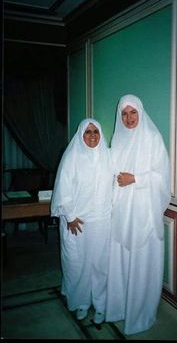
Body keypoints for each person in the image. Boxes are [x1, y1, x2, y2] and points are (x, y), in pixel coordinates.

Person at [105, 94, 171, 335]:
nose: (129, 118)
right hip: (121, 212)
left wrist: (135, 178)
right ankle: (120, 306)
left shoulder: (153, 138)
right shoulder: (117, 139)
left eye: (133, 112)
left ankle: (141, 312)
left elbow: (163, 178)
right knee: (121, 260)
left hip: (144, 213)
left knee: (142, 262)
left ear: (141, 113)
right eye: (124, 113)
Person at [51, 118, 114, 324]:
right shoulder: (72, 158)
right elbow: (63, 189)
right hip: (76, 221)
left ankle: (101, 305)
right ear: (80, 135)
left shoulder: (108, 156)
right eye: (88, 132)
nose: (93, 135)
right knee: (77, 264)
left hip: (102, 220)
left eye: (96, 131)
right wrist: (69, 216)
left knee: (100, 264)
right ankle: (81, 302)